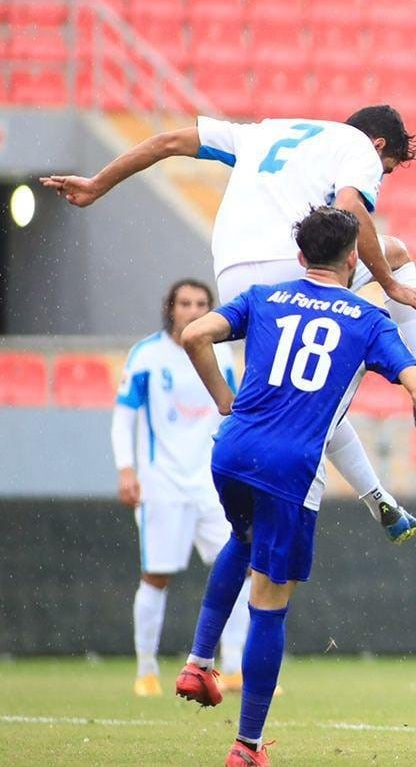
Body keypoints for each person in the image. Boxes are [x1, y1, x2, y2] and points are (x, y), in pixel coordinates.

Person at [42, 105, 416, 544]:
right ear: (378, 145)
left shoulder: (261, 131)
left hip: (234, 279)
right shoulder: (357, 146)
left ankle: (378, 498)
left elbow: (167, 141)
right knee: (397, 257)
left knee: (305, 390)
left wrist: (97, 184)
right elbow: (351, 207)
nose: (382, 175)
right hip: (294, 267)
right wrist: (388, 283)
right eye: (387, 168)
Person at [174, 206, 416, 766]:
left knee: (243, 538)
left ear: (301, 256)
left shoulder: (264, 297)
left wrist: (224, 400)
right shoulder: (368, 320)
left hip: (231, 450)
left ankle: (197, 661)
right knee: (270, 603)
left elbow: (194, 335)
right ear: (354, 259)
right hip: (290, 468)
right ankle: (247, 746)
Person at [113, 278, 250, 697]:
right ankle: (146, 670)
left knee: (242, 570)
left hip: (212, 484)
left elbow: (233, 410)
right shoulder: (147, 356)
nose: (193, 310)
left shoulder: (221, 353)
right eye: (185, 303)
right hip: (163, 484)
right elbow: (124, 417)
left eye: (201, 304)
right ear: (170, 308)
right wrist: (126, 469)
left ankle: (234, 668)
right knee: (156, 576)